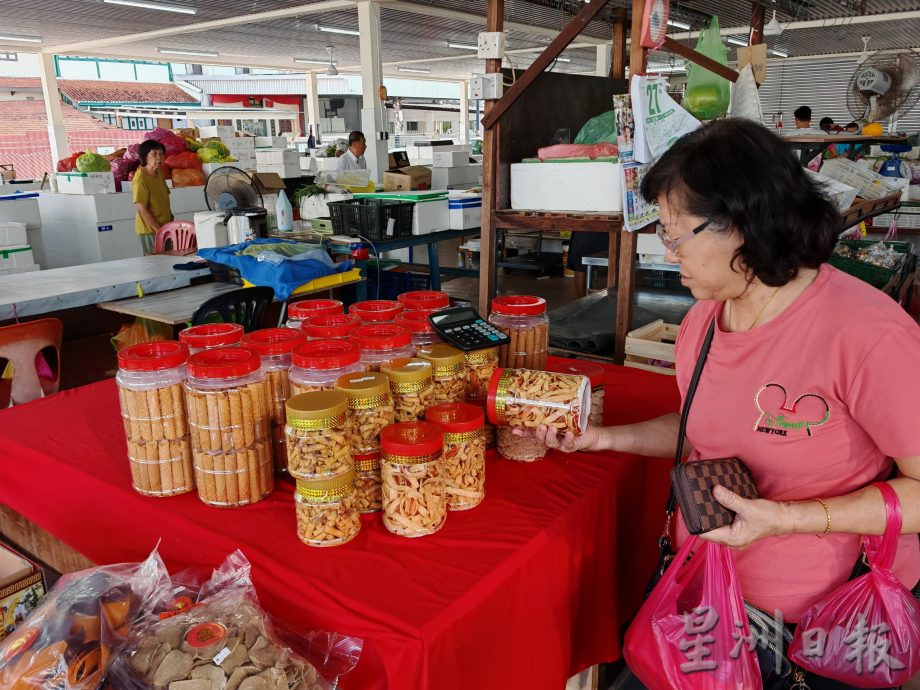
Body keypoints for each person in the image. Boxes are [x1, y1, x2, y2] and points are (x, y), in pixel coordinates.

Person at [523, 119, 920, 688]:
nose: (668, 251)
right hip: (706, 599)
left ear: (741, 224)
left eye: (674, 232)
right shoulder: (705, 321)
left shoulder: (867, 334)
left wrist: (785, 521)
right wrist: (606, 438)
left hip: (815, 630)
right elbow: (701, 432)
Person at [132, 139, 172, 255]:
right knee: (157, 264)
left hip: (164, 228)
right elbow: (141, 209)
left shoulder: (159, 173)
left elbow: (163, 198)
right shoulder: (140, 179)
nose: (159, 157)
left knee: (168, 262)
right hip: (151, 231)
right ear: (145, 158)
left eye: (161, 154)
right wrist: (159, 230)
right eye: (154, 154)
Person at [567, 232, 608, 298]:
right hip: (603, 231)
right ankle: (581, 301)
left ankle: (580, 301)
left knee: (580, 266)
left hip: (585, 231)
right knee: (580, 265)